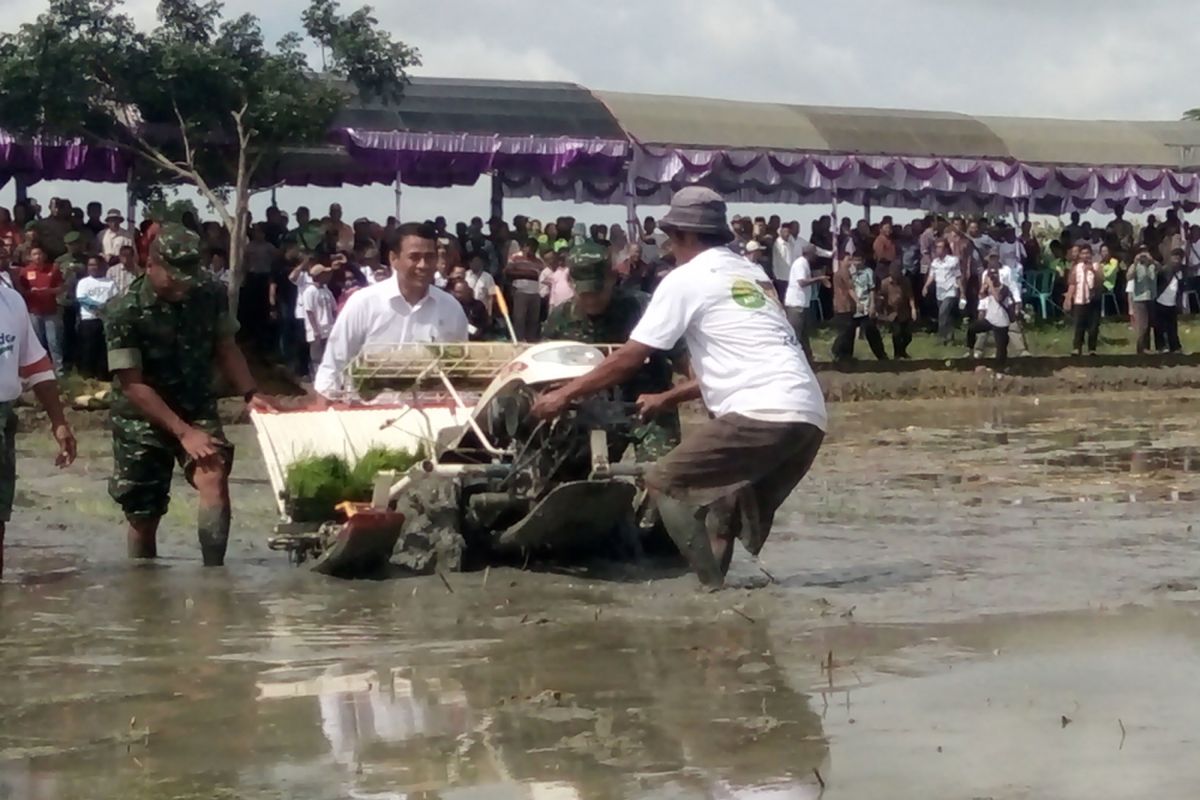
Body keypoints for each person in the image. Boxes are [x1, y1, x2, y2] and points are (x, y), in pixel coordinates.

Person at [530, 188, 825, 588]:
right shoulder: (752, 274)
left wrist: (562, 396)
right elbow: (737, 364)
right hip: (808, 415)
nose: (669, 248)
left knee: (664, 483)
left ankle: (712, 594)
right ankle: (738, 606)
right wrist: (671, 397)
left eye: (671, 239)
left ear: (685, 236)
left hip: (761, 412)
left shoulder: (685, 279)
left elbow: (629, 358)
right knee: (726, 509)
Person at [103, 223, 273, 566]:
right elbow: (132, 383)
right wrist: (183, 432)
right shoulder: (124, 310)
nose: (183, 284)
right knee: (143, 511)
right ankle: (144, 590)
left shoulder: (208, 294)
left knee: (213, 473)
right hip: (142, 415)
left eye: (189, 274)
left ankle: (214, 576)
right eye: (174, 275)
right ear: (150, 265)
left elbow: (226, 346)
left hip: (195, 403)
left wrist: (250, 392)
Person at [541, 240, 683, 462]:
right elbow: (546, 372)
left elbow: (685, 358)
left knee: (661, 478)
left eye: (598, 291)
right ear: (571, 282)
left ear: (612, 278)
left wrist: (668, 397)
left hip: (647, 409)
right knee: (572, 479)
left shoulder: (644, 309)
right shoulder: (560, 320)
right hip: (591, 413)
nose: (592, 299)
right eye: (585, 293)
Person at [314, 223, 469, 399]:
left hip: (434, 417)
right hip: (367, 416)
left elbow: (460, 372)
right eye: (414, 257)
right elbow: (333, 366)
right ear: (393, 258)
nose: (423, 265)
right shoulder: (363, 304)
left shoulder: (451, 308)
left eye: (429, 257)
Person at [0, 283, 77, 576]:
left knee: (0, 516)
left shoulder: (10, 300)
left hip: (5, 416)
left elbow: (36, 365)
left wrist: (59, 422)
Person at [16, 247, 64, 374]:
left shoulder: (53, 269)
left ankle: (59, 369)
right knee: (38, 342)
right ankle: (42, 369)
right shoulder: (25, 271)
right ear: (30, 257)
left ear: (44, 255)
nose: (37, 256)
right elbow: (21, 291)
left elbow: (60, 288)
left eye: (39, 253)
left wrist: (49, 291)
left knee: (54, 341)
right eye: (34, 254)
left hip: (51, 311)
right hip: (34, 312)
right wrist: (30, 292)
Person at [831, 254, 887, 362]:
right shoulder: (847, 272)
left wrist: (872, 305)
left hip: (864, 305)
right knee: (848, 332)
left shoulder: (868, 272)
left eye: (858, 261)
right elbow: (849, 289)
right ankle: (844, 355)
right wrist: (857, 303)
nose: (855, 263)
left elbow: (872, 289)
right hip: (851, 307)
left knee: (871, 330)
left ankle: (881, 355)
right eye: (853, 260)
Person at [782, 243, 828, 364]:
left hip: (801, 303)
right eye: (814, 254)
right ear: (809, 253)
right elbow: (802, 282)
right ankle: (793, 360)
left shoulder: (804, 263)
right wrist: (819, 279)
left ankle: (807, 359)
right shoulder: (801, 263)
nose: (816, 257)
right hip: (796, 303)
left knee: (803, 333)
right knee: (795, 333)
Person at [967, 263, 1015, 371]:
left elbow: (999, 298)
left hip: (1001, 321)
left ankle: (1000, 368)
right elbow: (981, 296)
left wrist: (991, 286)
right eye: (991, 275)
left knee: (1001, 347)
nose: (993, 277)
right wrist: (984, 287)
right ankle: (970, 351)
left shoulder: (1004, 288)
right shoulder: (988, 287)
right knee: (972, 329)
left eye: (995, 274)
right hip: (990, 319)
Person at [74, 255, 116, 379]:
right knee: (88, 348)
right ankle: (87, 376)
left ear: (101, 266)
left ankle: (104, 376)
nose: (92, 267)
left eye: (95, 264)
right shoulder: (83, 282)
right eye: (90, 265)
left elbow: (115, 299)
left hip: (105, 320)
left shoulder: (110, 282)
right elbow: (82, 299)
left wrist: (105, 309)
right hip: (88, 320)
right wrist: (99, 307)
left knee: (103, 349)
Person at [55, 231, 88, 371]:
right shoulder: (60, 261)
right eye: (70, 245)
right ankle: (67, 362)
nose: (73, 247)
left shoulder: (87, 259)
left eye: (75, 244)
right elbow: (54, 279)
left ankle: (81, 361)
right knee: (66, 332)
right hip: (65, 300)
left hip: (83, 300)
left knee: (82, 332)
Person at [1064, 244, 1103, 356]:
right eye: (1083, 253)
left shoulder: (1096, 266)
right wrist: (1068, 298)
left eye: (1088, 253)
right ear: (1080, 255)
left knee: (1093, 326)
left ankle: (1092, 348)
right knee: (1079, 325)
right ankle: (1077, 347)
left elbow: (1101, 280)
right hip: (1080, 299)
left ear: (1091, 254)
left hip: (1094, 299)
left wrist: (1093, 271)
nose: (1085, 256)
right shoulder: (1076, 268)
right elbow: (1072, 283)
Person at [300, 264, 336, 382]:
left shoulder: (326, 290)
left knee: (327, 354)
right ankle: (316, 377)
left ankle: (327, 378)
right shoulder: (309, 291)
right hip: (317, 328)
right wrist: (315, 330)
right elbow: (310, 312)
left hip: (328, 327)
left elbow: (333, 308)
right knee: (316, 355)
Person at [923, 238, 963, 345]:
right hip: (939, 291)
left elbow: (958, 276)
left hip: (951, 290)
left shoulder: (953, 261)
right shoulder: (935, 262)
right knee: (947, 316)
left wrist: (962, 292)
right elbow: (932, 275)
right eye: (936, 247)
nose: (938, 249)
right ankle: (949, 338)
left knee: (942, 313)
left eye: (940, 247)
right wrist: (926, 286)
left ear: (945, 249)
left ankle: (941, 336)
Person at [503, 239, 543, 342]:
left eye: (534, 247)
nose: (531, 249)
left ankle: (531, 340)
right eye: (529, 246)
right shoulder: (515, 257)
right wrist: (527, 274)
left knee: (533, 319)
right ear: (524, 246)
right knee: (519, 318)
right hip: (520, 291)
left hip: (535, 292)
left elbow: (541, 276)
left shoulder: (539, 261)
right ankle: (518, 340)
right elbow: (507, 272)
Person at [877, 262, 918, 359]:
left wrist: (913, 309)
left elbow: (910, 296)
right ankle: (897, 354)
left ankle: (902, 351)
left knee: (908, 336)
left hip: (904, 311)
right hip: (892, 312)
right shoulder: (885, 283)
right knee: (897, 333)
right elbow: (881, 296)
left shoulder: (905, 281)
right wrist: (881, 310)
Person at [1127, 247, 1158, 355]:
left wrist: (1151, 261)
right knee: (1142, 325)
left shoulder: (1153, 265)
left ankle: (1146, 348)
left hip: (1151, 297)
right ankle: (1140, 348)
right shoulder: (1135, 266)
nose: (1143, 255)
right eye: (1141, 253)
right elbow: (1128, 276)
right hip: (1139, 299)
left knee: (1149, 324)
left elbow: (1161, 269)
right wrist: (1135, 263)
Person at [1154, 249, 1185, 354]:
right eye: (1175, 257)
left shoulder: (1181, 271)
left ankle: (1175, 347)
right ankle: (1161, 347)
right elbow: (1158, 281)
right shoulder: (1165, 270)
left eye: (1179, 258)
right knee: (1160, 327)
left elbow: (1180, 288)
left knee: (1172, 327)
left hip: (1172, 303)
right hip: (1161, 301)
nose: (1177, 260)